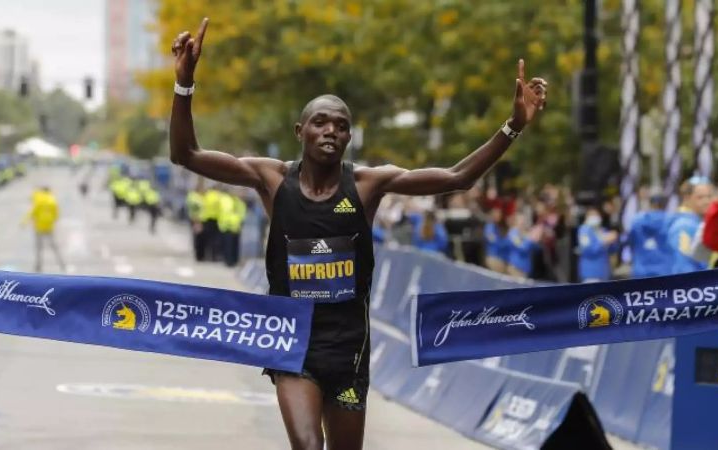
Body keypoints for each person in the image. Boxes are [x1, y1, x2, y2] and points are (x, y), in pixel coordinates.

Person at [169, 18, 548, 450]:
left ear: (349, 137)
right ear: (300, 131)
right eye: (320, 122)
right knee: (309, 446)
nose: (331, 130)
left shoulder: (368, 184)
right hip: (293, 343)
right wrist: (185, 84)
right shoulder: (271, 179)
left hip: (349, 347)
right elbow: (186, 154)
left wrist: (513, 126)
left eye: (341, 125)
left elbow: (458, 177)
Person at [666, 177, 714, 274]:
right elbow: (683, 264)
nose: (707, 201)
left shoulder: (697, 222)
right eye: (700, 197)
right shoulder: (684, 226)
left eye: (709, 196)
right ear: (687, 198)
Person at [626, 194, 671, 278]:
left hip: (641, 270)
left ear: (650, 204)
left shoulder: (636, 221)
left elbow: (630, 243)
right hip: (665, 271)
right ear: (665, 205)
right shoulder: (671, 221)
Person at [25, 186, 66, 273]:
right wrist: (52, 221)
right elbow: (56, 214)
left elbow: (33, 212)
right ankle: (61, 264)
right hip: (49, 226)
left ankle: (38, 266)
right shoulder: (52, 200)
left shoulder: (38, 199)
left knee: (39, 247)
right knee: (54, 246)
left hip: (39, 226)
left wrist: (24, 221)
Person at [577, 207, 618, 282]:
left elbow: (612, 250)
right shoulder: (584, 230)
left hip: (604, 273)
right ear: (587, 217)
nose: (595, 217)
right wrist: (604, 241)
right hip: (591, 273)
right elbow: (587, 250)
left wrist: (613, 241)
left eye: (596, 215)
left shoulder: (603, 230)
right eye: (592, 215)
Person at [483, 205, 510, 273]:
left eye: (499, 214)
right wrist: (508, 241)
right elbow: (494, 241)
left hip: (499, 258)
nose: (499, 216)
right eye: (496, 214)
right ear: (492, 215)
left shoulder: (496, 227)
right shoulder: (489, 227)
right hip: (493, 258)